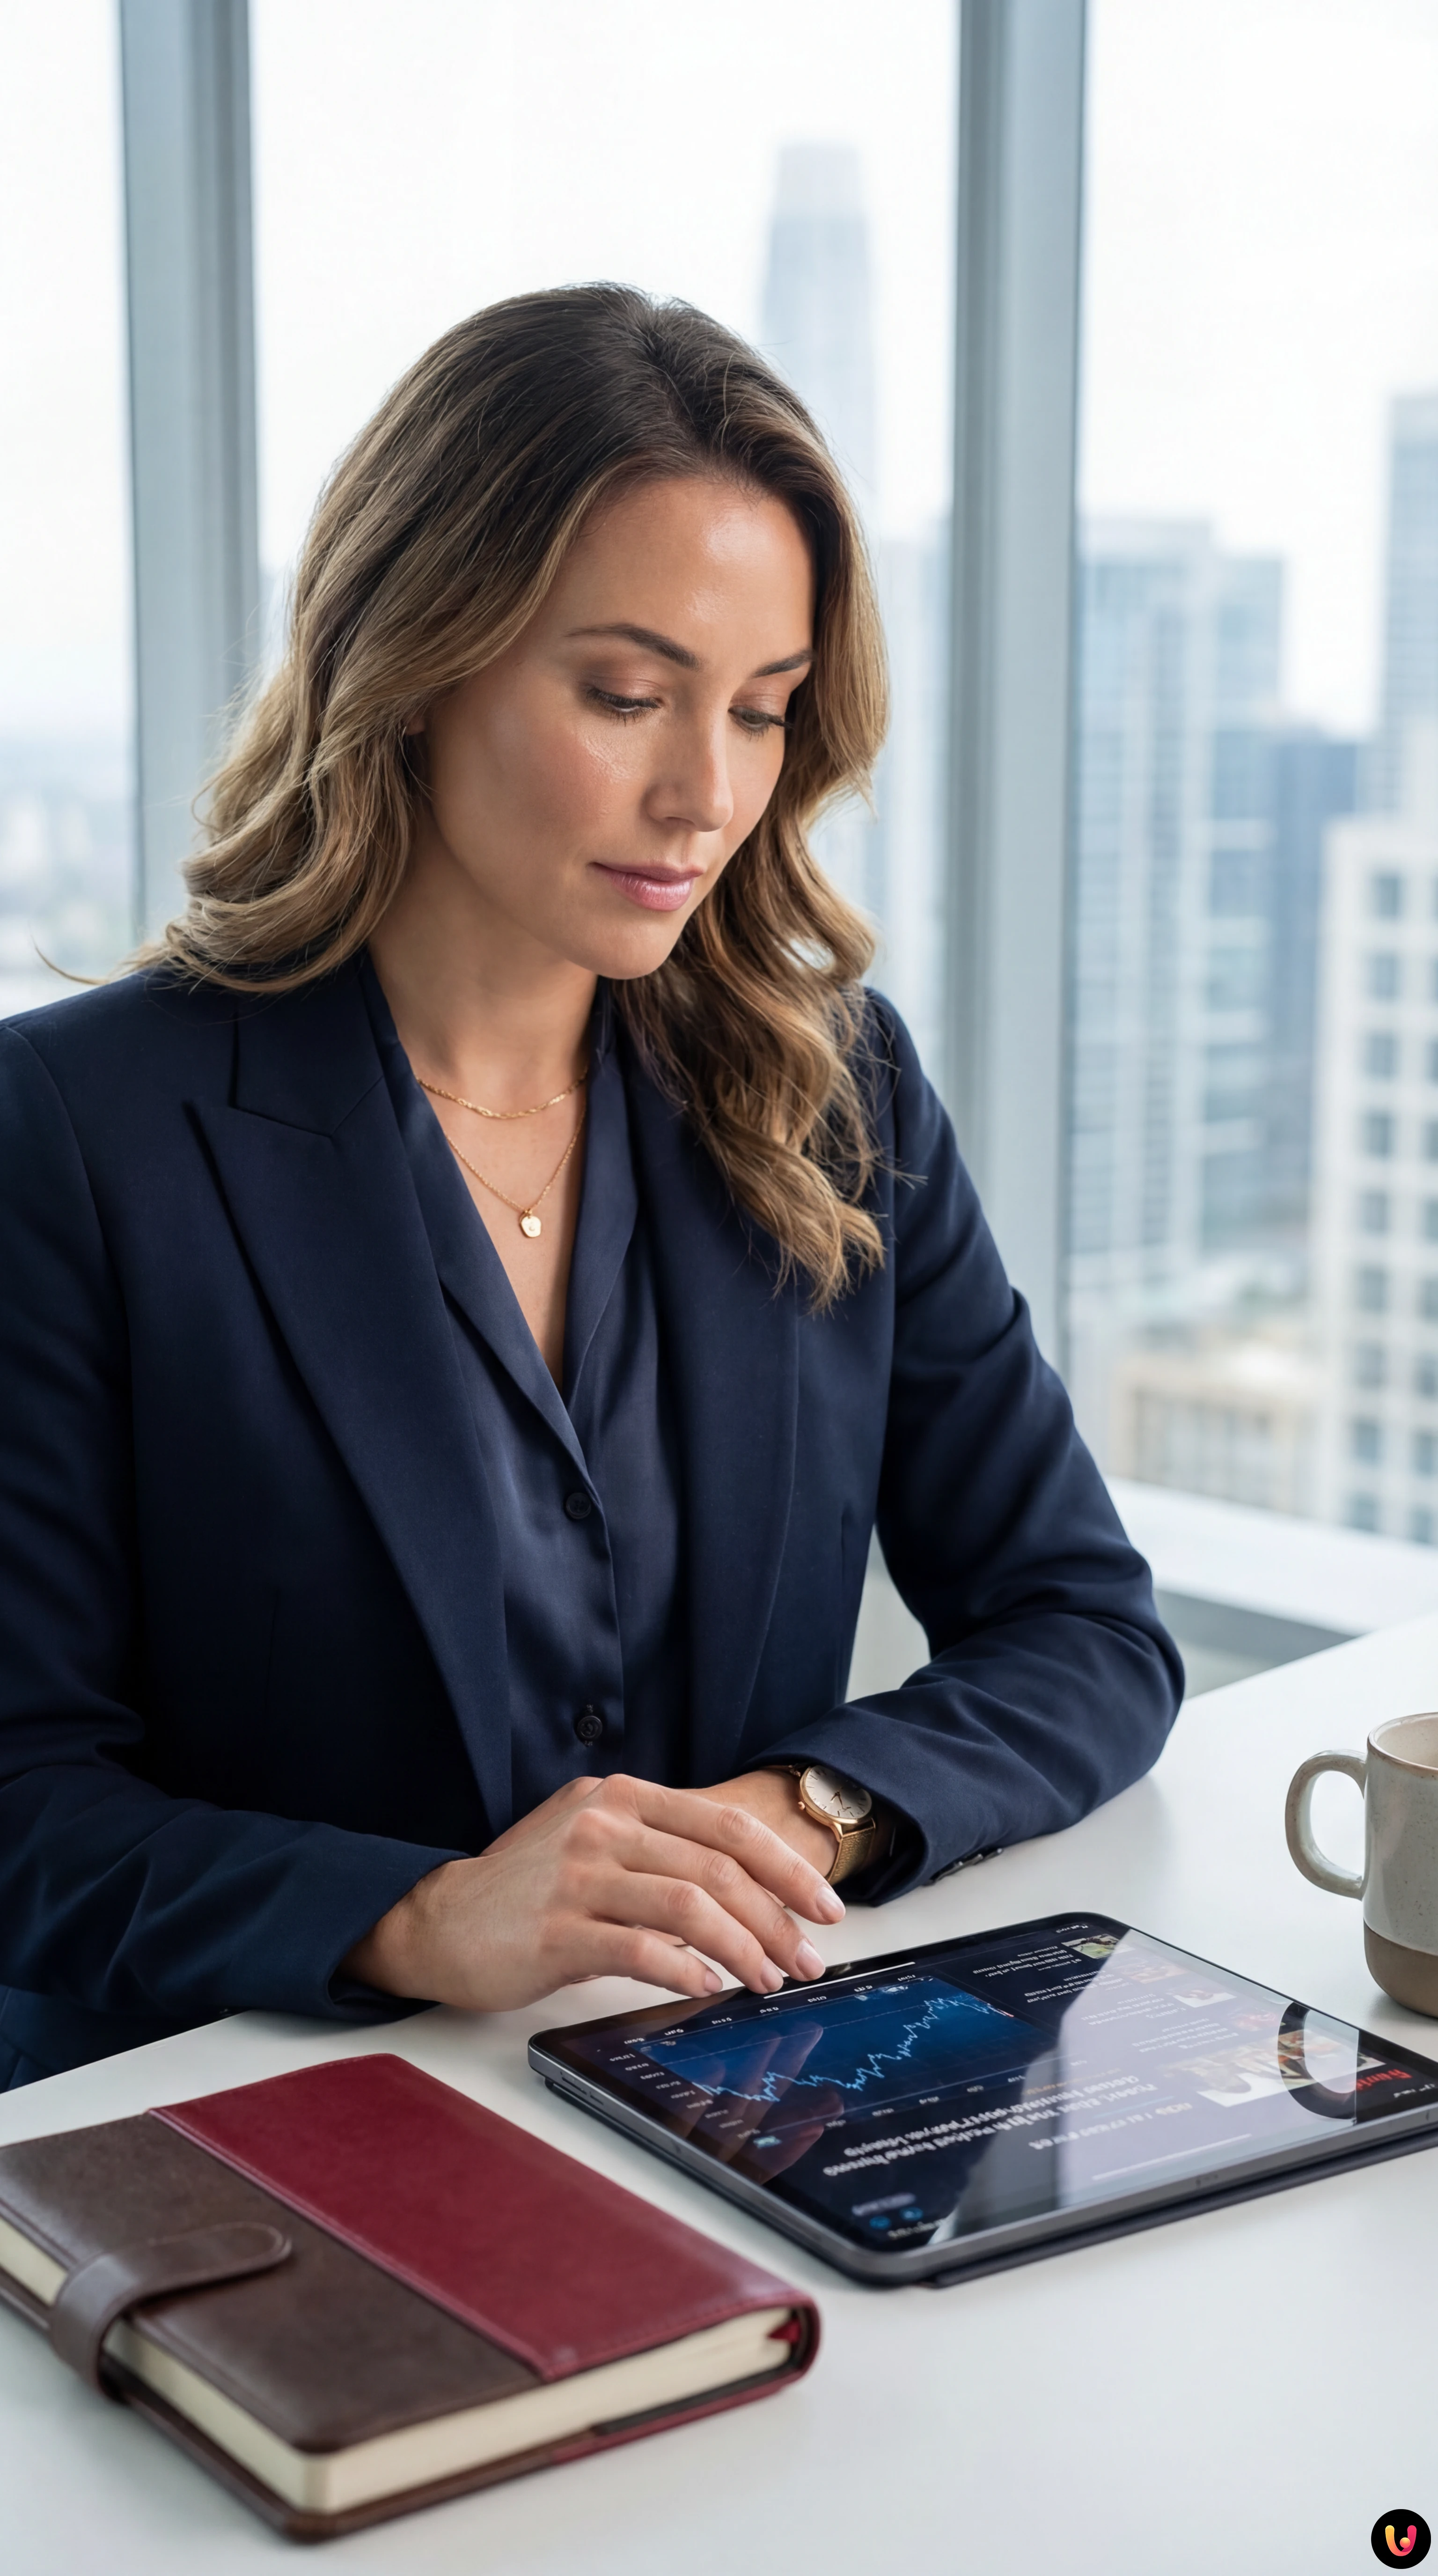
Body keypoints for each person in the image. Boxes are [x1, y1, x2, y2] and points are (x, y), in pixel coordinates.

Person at [0, 287, 1182, 2092]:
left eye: (766, 712)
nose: (705, 794)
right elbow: (21, 1797)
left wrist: (804, 1811)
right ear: (415, 663)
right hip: (245, 2132)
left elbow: (1084, 1625)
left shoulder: (836, 1092)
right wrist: (415, 1915)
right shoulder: (78, 1129)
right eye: (627, 695)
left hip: (717, 2096)